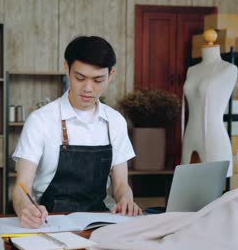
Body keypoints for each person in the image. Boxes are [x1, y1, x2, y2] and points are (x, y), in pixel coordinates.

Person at [12, 36, 142, 228]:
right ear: (67, 69)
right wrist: (25, 208)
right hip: (49, 222)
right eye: (80, 78)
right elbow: (21, 187)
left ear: (111, 74)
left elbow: (121, 185)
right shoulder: (40, 120)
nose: (88, 88)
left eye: (98, 80)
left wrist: (126, 200)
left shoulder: (115, 122)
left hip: (99, 223)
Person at [182, 29, 238, 177]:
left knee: (214, 194)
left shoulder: (228, 69)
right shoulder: (192, 70)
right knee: (187, 189)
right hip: (189, 136)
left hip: (214, 137)